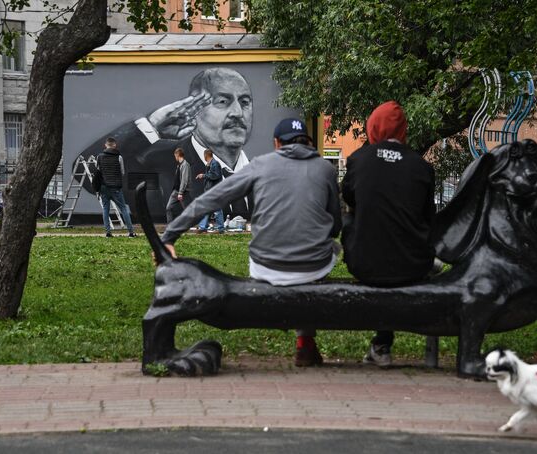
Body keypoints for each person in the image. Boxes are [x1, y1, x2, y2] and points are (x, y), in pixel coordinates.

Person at [160, 118, 342, 367]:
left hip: (266, 266)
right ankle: (305, 343)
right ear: (308, 143)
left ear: (277, 143)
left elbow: (211, 199)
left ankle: (304, 342)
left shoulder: (260, 166)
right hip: (314, 266)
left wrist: (169, 235)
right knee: (329, 248)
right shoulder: (325, 169)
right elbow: (335, 226)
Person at [78, 67, 253, 220]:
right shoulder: (156, 160)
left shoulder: (264, 170)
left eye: (245, 102)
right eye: (223, 101)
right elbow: (86, 173)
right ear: (194, 108)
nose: (238, 113)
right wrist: (151, 126)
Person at [341, 101, 436, 367]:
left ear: (372, 127)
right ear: (403, 130)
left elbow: (349, 197)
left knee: (351, 218)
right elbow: (429, 217)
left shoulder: (359, 160)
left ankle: (381, 345)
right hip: (413, 264)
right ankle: (381, 344)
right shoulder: (421, 167)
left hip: (365, 262)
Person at [96, 137, 136, 238]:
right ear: (114, 145)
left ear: (106, 145)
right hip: (116, 187)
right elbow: (122, 172)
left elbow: (98, 172)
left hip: (104, 187)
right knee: (123, 208)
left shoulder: (99, 157)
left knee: (105, 209)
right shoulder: (119, 157)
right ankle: (131, 232)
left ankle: (108, 232)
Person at [195, 149, 225, 233]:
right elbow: (211, 175)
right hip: (211, 190)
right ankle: (204, 227)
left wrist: (203, 175)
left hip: (214, 191)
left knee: (217, 210)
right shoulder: (211, 164)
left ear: (206, 156)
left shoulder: (215, 164)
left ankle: (220, 228)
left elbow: (215, 175)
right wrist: (207, 167)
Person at [165, 148, 192, 223]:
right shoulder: (179, 165)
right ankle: (170, 227)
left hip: (182, 192)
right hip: (175, 191)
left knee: (187, 210)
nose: (175, 157)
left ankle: (192, 224)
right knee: (168, 208)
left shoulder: (185, 165)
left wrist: (180, 193)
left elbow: (184, 180)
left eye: (175, 156)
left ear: (177, 155)